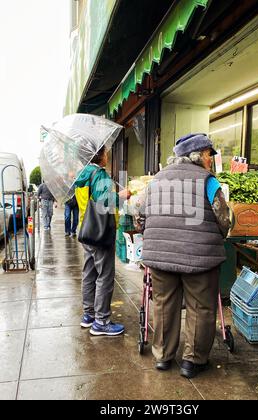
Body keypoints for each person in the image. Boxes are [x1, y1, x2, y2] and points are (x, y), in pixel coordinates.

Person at [142, 133, 230, 379]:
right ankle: (192, 361)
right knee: (200, 307)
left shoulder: (156, 180)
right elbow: (223, 218)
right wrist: (222, 232)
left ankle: (162, 357)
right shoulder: (208, 181)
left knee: (162, 304)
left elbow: (141, 214)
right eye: (209, 155)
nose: (211, 160)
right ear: (199, 156)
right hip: (199, 255)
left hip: (160, 255)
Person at [75, 146, 130, 337]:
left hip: (86, 229)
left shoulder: (82, 174)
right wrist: (121, 196)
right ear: (98, 155)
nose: (107, 156)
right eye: (105, 152)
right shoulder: (99, 174)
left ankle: (88, 315)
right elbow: (104, 201)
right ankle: (102, 321)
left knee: (89, 273)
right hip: (100, 231)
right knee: (105, 275)